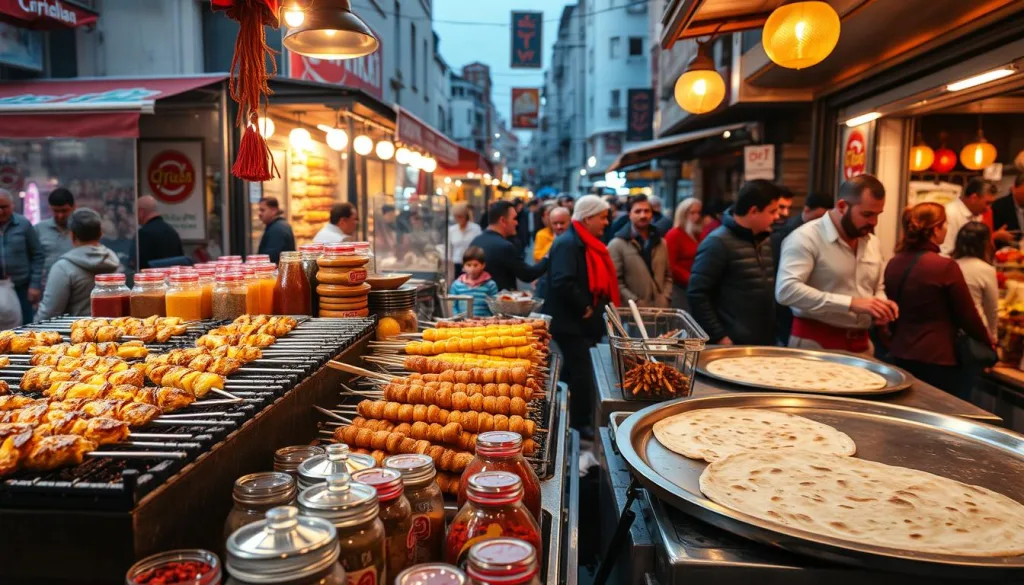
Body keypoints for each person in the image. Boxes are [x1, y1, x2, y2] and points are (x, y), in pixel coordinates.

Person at [776, 174, 896, 355]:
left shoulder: (872, 242)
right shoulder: (805, 237)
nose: (873, 222)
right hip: (814, 345)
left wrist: (881, 305)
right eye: (867, 214)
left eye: (878, 215)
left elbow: (876, 287)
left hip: (863, 345)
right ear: (841, 206)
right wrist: (850, 303)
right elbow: (786, 290)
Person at [884, 203, 991, 399]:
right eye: (945, 224)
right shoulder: (944, 267)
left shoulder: (894, 262)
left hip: (899, 352)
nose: (947, 229)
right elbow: (967, 315)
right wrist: (988, 344)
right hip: (938, 357)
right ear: (935, 229)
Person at [542, 195, 616, 437]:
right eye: (603, 217)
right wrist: (584, 305)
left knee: (572, 372)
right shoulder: (569, 243)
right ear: (588, 218)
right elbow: (562, 280)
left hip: (581, 323)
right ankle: (578, 425)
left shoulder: (585, 242)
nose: (606, 222)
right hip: (571, 322)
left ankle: (561, 415)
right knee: (581, 372)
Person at [688, 180, 781, 345]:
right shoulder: (717, 242)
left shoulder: (765, 239)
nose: (777, 217)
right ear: (753, 211)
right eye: (772, 211)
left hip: (763, 340)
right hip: (733, 343)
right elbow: (697, 294)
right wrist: (720, 336)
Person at [771, 192, 834, 344]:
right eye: (818, 216)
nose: (821, 222)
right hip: (788, 308)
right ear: (806, 210)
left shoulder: (827, 233)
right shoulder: (788, 232)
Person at [35, 208, 120, 321]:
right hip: (112, 330)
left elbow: (49, 313)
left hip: (76, 333)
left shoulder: (63, 268)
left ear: (72, 235)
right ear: (100, 233)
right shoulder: (113, 260)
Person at [469, 201, 549, 291]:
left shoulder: (476, 241)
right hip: (500, 302)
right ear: (503, 220)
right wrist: (548, 256)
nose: (516, 223)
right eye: (514, 218)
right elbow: (527, 275)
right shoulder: (504, 247)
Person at [608, 195, 672, 308]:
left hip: (661, 311)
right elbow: (616, 281)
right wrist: (635, 301)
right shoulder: (617, 244)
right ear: (629, 214)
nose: (643, 215)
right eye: (638, 211)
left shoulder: (661, 242)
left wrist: (665, 297)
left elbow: (668, 275)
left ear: (652, 214)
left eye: (647, 211)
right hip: (632, 313)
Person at [0, 188, 43, 325]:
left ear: (12, 206)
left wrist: (35, 285)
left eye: (4, 207)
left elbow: (37, 255)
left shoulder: (23, 224)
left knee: (25, 326)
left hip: (22, 287)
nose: (0, 211)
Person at [954, 221, 999, 341]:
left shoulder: (950, 265)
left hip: (952, 330)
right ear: (986, 244)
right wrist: (993, 335)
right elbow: (992, 307)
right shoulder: (986, 270)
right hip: (977, 330)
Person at [940, 177, 999, 256]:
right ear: (973, 198)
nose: (989, 208)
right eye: (987, 203)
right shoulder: (950, 213)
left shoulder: (977, 214)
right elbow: (945, 252)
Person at [664, 198, 703, 310]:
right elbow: (670, 265)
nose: (697, 216)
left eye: (699, 212)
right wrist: (690, 278)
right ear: (683, 214)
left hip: (695, 285)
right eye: (692, 212)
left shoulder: (697, 234)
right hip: (680, 288)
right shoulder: (674, 235)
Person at [35, 187, 75, 282]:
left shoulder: (81, 229)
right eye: (56, 211)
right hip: (48, 283)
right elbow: (34, 260)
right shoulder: (39, 229)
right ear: (50, 208)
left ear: (73, 207)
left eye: (64, 211)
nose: (60, 216)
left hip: (76, 283)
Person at [448, 246, 499, 317]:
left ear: (483, 265)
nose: (472, 268)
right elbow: (454, 306)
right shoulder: (456, 285)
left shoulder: (490, 285)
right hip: (462, 323)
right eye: (468, 265)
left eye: (475, 265)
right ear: (463, 265)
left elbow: (495, 307)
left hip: (484, 323)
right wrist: (457, 319)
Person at [137, 194, 184, 270]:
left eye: (136, 211)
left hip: (153, 280)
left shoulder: (143, 234)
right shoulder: (172, 232)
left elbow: (139, 267)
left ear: (141, 212)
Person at [257, 197, 295, 263]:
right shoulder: (277, 226)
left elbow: (270, 259)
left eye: (262, 210)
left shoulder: (277, 229)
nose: (259, 213)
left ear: (274, 211)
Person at [989, 174, 1024, 245]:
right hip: (1006, 251)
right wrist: (996, 236)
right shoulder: (998, 206)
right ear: (1014, 189)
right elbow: (990, 236)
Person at [448, 202, 482, 275]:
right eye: (456, 217)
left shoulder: (475, 229)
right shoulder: (452, 230)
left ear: (466, 216)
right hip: (456, 263)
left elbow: (478, 247)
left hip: (471, 264)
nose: (458, 219)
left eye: (460, 216)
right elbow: (449, 249)